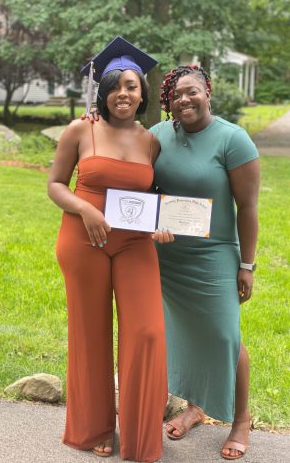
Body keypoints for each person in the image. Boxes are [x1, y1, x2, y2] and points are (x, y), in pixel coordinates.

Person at [47, 36, 168, 462]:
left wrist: (162, 225)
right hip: (84, 242)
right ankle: (95, 428)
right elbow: (55, 185)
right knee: (90, 334)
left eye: (131, 86)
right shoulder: (82, 129)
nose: (123, 93)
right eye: (115, 85)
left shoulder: (152, 140)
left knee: (148, 332)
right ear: (104, 90)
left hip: (135, 246)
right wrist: (85, 209)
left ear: (142, 92)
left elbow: (155, 196)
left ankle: (138, 436)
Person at [151, 65, 260, 460]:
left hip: (214, 255)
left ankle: (241, 419)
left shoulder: (233, 139)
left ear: (207, 91)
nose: (184, 99)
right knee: (175, 333)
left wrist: (247, 264)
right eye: (176, 94)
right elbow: (143, 188)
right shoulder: (157, 135)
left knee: (223, 335)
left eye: (191, 91)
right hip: (166, 256)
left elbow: (247, 208)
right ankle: (195, 407)